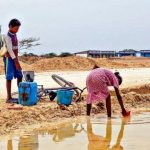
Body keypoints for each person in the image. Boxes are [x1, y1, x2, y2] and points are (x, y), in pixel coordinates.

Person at [3, 19, 23, 103]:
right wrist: (16, 62)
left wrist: (17, 59)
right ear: (10, 27)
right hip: (9, 59)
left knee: (20, 75)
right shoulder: (7, 36)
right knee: (9, 77)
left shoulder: (14, 34)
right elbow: (10, 51)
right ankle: (9, 97)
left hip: (15, 58)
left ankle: (21, 94)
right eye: (16, 28)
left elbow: (15, 49)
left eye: (18, 28)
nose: (17, 30)